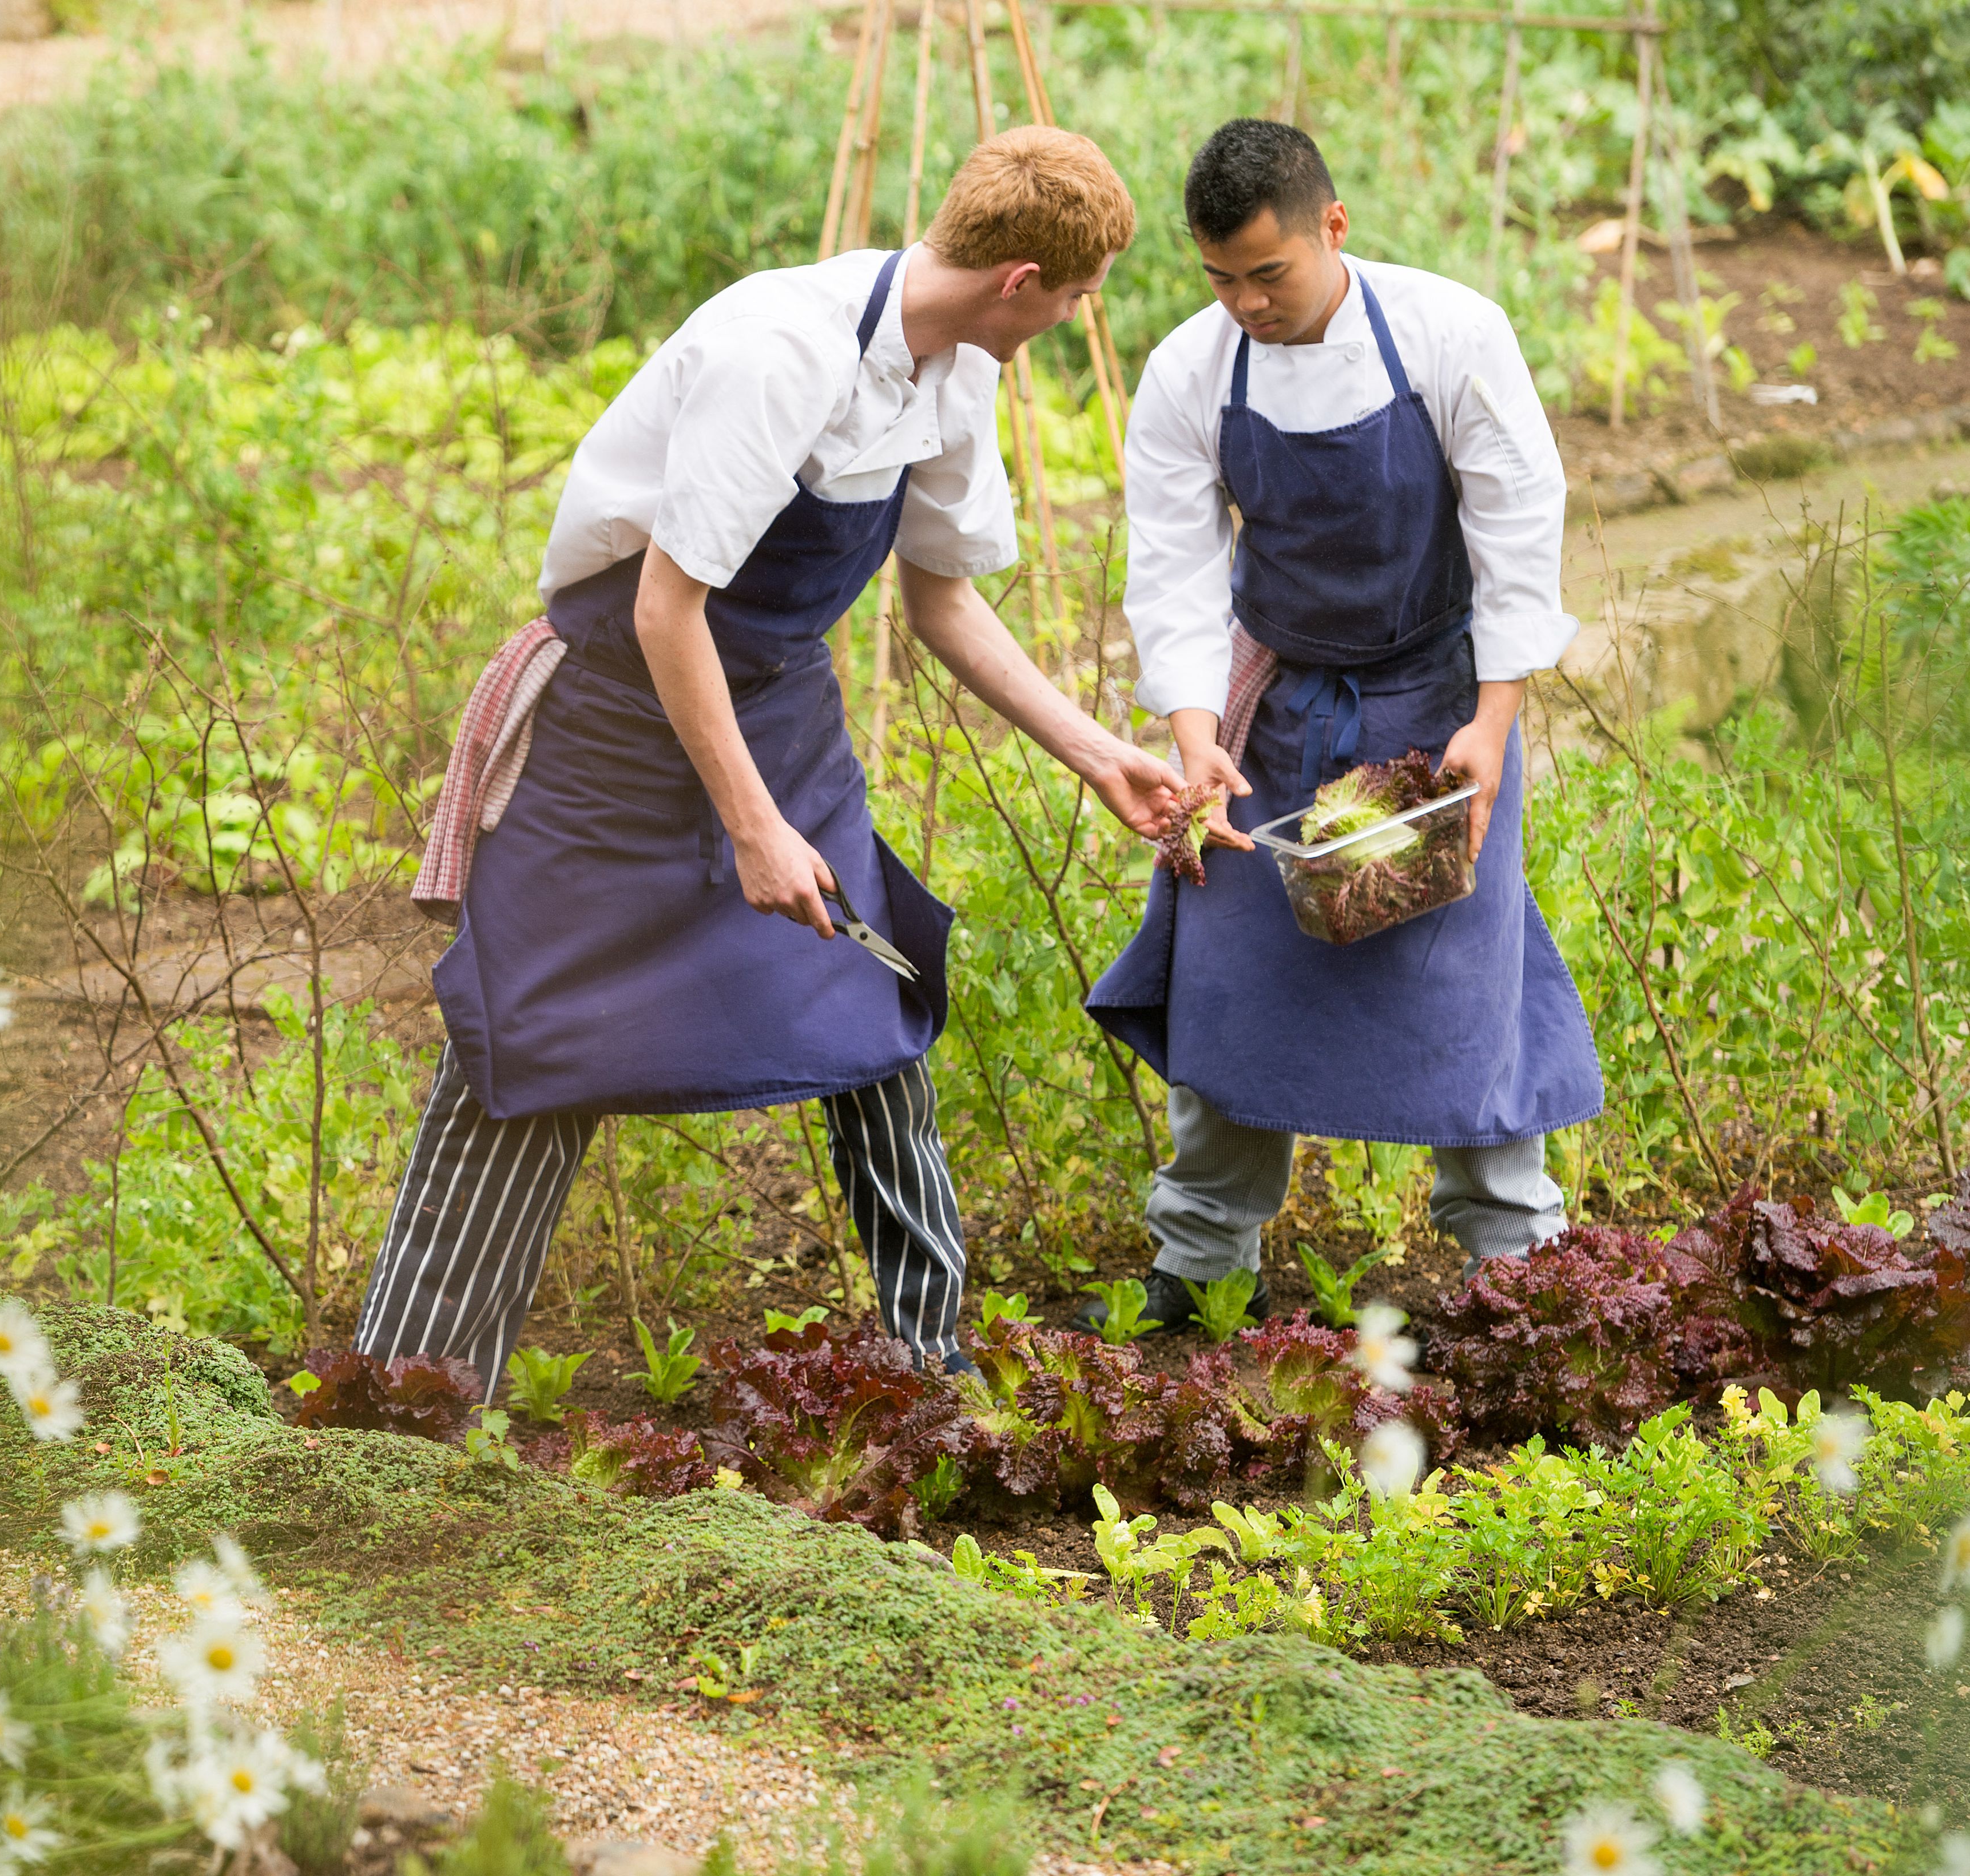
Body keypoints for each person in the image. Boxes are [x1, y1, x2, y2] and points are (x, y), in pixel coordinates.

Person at [355, 128, 1181, 1392]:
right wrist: (752, 826)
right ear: (1021, 278)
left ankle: (929, 1362)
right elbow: (664, 609)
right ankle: (409, 1389)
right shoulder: (778, 350)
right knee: (539, 1024)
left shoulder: (955, 367)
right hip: (625, 720)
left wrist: (1096, 753)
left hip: (784, 709)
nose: (1079, 316)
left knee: (873, 999)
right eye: (1078, 294)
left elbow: (944, 601)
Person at [1082, 118, 1603, 1334]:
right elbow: (1173, 567)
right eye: (1221, 278)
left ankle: (1517, 1271)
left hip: (1437, 706)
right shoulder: (1191, 371)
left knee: (1466, 973)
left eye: (1271, 272)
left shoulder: (1448, 334)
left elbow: (1520, 523)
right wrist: (1195, 730)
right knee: (1228, 973)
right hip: (1275, 716)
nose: (1248, 301)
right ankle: (1203, 1264)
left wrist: (1493, 720)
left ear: (1334, 226)